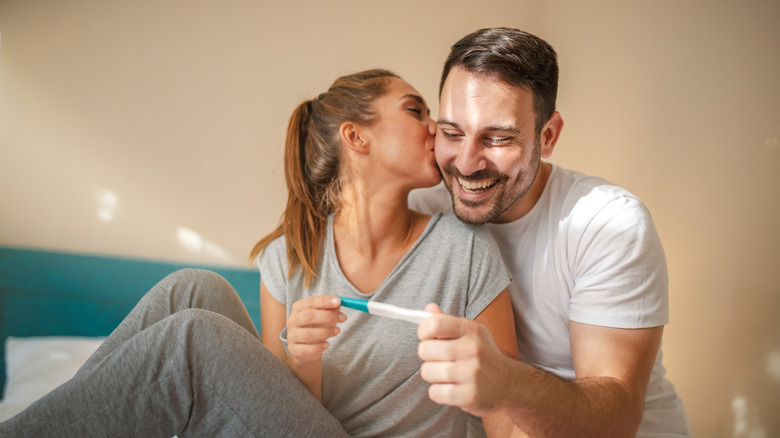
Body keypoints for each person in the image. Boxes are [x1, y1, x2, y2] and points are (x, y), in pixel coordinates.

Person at [0, 69, 518, 437]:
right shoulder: (291, 259)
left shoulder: (466, 251)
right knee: (194, 290)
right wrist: (303, 358)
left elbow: (505, 406)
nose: (436, 127)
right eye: (415, 110)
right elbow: (271, 419)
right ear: (356, 137)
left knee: (194, 340)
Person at [410, 28, 691, 437]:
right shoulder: (424, 209)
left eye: (498, 138)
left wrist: (506, 383)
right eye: (452, 134)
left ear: (548, 136)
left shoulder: (607, 223)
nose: (467, 164)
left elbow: (618, 417)